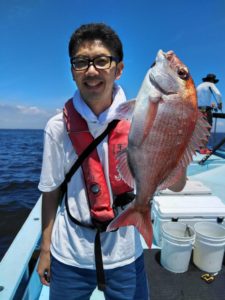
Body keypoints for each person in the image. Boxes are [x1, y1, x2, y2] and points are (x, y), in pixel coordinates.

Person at [37, 23, 187, 300]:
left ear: (119, 69)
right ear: (72, 71)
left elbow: (177, 186)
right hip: (69, 256)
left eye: (102, 61)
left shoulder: (139, 118)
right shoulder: (57, 127)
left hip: (125, 254)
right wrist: (45, 249)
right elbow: (50, 192)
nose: (91, 70)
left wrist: (178, 140)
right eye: (81, 62)